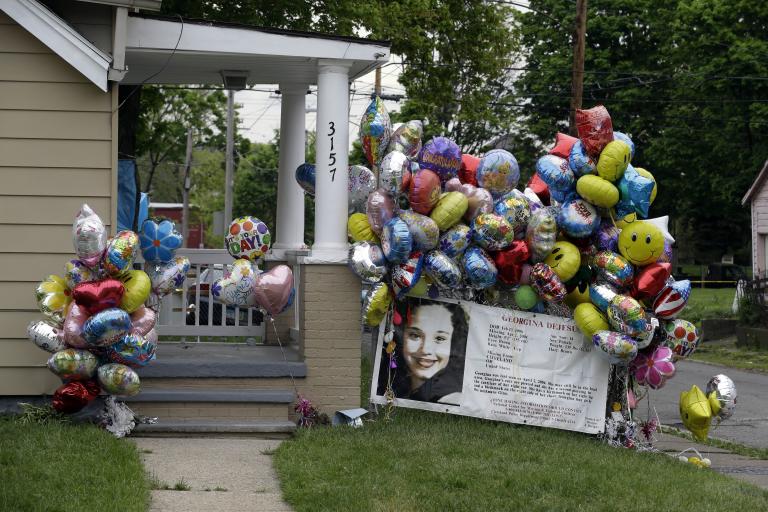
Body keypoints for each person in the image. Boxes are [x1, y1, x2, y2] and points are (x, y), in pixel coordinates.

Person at [378, 298, 468, 405]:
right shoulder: (385, 383)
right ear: (400, 335)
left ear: (454, 343)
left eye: (439, 338)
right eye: (415, 335)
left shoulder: (454, 400)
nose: (425, 350)